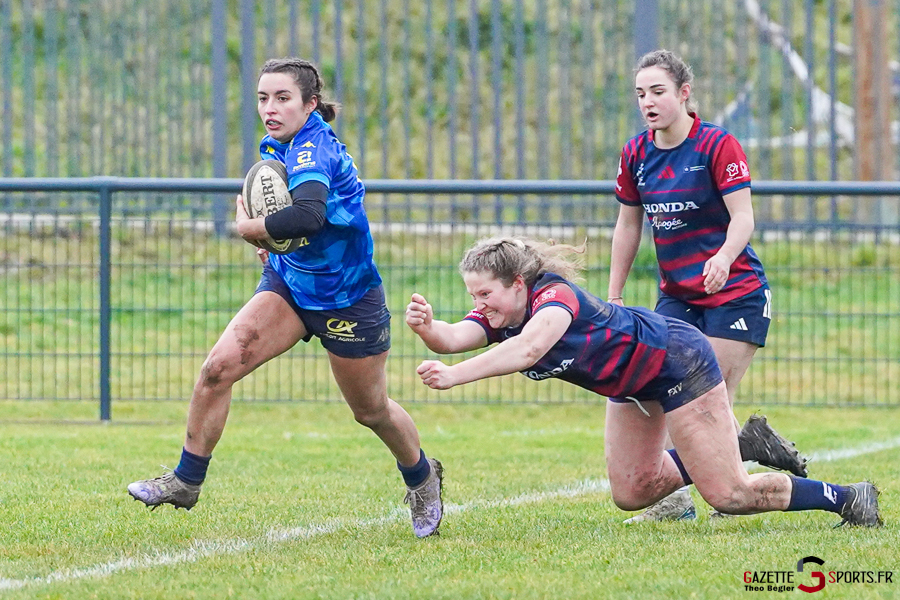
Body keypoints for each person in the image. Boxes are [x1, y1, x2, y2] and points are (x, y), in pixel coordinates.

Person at [128, 57, 443, 538]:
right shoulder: (279, 142)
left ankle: (422, 479)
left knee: (371, 410)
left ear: (310, 103)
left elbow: (309, 216)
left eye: (282, 98)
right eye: (262, 98)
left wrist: (251, 229)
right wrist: (271, 247)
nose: (270, 109)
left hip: (346, 297)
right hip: (291, 286)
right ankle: (185, 481)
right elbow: (292, 227)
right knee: (217, 369)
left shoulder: (312, 150)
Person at [405, 236, 881, 528]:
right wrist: (428, 328)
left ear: (517, 283)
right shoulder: (502, 312)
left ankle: (846, 496)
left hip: (678, 362)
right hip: (633, 388)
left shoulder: (554, 297)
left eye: (485, 293)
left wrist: (455, 377)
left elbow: (529, 349)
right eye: (474, 295)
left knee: (730, 496)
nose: (480, 304)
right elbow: (452, 338)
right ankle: (746, 443)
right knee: (632, 491)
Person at [608, 49, 805, 522]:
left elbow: (744, 217)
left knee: (701, 402)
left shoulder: (717, 145)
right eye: (640, 94)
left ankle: (718, 488)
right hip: (676, 296)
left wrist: (722, 257)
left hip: (735, 292)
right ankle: (728, 465)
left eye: (658, 91)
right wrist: (614, 296)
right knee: (674, 393)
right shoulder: (636, 153)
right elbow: (628, 227)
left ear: (683, 93)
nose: (648, 102)